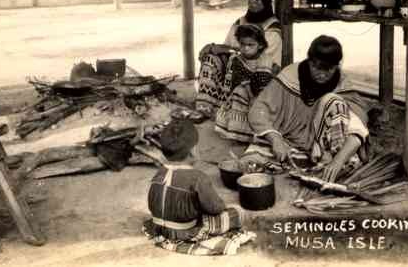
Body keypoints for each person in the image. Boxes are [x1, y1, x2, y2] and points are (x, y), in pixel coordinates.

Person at [240, 35, 370, 182]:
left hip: (324, 147)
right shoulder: (291, 75)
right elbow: (259, 109)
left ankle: (329, 163)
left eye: (328, 69)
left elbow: (357, 125)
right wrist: (275, 140)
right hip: (289, 140)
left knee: (333, 100)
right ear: (309, 61)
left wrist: (338, 161)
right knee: (251, 161)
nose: (322, 74)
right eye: (316, 67)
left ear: (336, 66)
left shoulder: (342, 83)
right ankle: (315, 164)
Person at [142, 119, 255, 255]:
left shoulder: (159, 173)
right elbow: (215, 208)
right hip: (185, 232)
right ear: (193, 151)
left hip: (159, 228)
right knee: (237, 213)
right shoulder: (197, 177)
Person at [195, 0, 282, 120]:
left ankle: (232, 112)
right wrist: (212, 48)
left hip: (259, 72)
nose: (252, 2)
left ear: (266, 1)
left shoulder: (272, 28)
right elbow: (228, 46)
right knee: (211, 58)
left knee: (237, 65)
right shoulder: (241, 22)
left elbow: (264, 59)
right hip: (235, 64)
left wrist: (228, 51)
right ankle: (206, 107)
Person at [213, 24, 275, 142]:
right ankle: (239, 131)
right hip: (239, 98)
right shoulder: (236, 60)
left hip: (260, 97)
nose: (246, 48)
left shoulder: (266, 60)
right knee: (240, 91)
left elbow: (268, 83)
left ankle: (259, 128)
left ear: (260, 45)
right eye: (242, 44)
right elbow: (233, 83)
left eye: (250, 45)